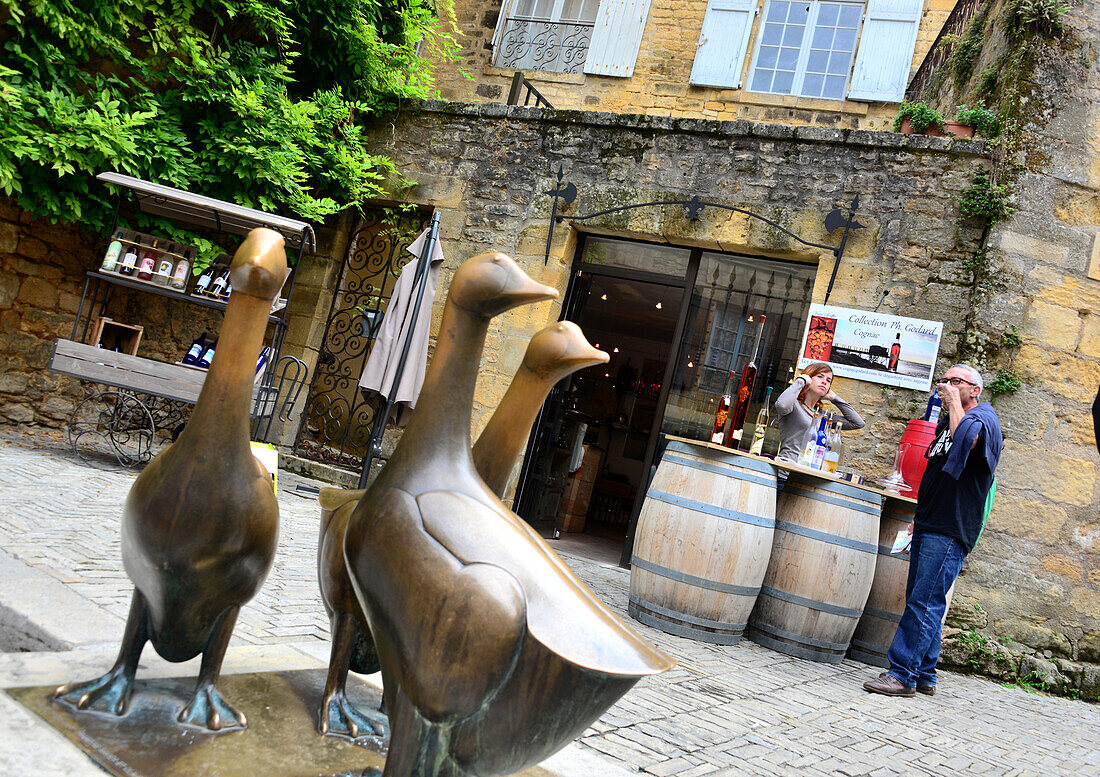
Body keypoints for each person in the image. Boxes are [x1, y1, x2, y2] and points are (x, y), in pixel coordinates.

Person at [863, 363, 1003, 697]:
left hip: (951, 527)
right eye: (945, 380)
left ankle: (902, 675)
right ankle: (925, 673)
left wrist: (953, 402)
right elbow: (939, 473)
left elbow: (965, 444)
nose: (947, 385)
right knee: (925, 600)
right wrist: (918, 517)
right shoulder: (946, 423)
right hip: (930, 521)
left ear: (975, 390)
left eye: (957, 381)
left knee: (924, 602)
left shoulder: (984, 420)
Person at [773, 362, 865, 487]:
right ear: (809, 377)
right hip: (785, 475)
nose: (825, 382)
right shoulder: (794, 405)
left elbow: (857, 423)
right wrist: (801, 381)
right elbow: (781, 405)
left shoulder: (823, 416)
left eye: (828, 380)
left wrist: (835, 398)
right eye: (820, 376)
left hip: (809, 480)